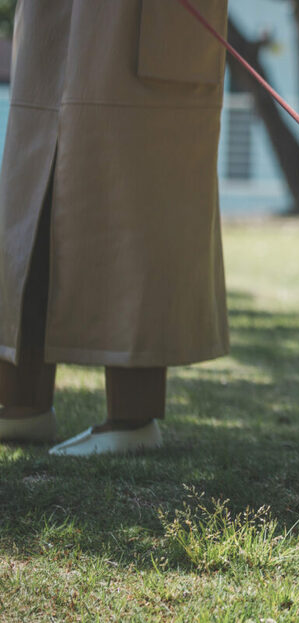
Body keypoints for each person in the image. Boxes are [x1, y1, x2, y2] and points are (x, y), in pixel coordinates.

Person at [0, 0, 230, 455]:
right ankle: (20, 403)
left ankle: (133, 417)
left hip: (146, 20)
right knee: (31, 193)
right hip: (54, 16)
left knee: (134, 205)